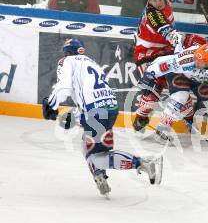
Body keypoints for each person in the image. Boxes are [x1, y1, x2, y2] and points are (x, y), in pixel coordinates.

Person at [41, 39, 163, 197]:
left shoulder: (67, 61)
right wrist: (76, 116)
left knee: (98, 158)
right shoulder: (91, 63)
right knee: (89, 144)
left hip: (96, 111)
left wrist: (52, 104)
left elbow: (64, 86)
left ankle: (145, 163)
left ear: (68, 52)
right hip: (108, 108)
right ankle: (99, 175)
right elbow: (87, 96)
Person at [138, 43, 208, 146]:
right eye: (196, 58)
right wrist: (148, 76)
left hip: (203, 80)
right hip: (180, 74)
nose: (196, 62)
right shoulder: (186, 59)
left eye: (201, 61)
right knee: (181, 97)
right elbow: (162, 63)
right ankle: (162, 130)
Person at [131, 0, 197, 132]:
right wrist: (183, 42)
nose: (157, 2)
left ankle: (189, 118)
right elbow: (169, 33)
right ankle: (141, 116)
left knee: (180, 85)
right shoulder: (153, 15)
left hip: (167, 51)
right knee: (155, 87)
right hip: (147, 54)